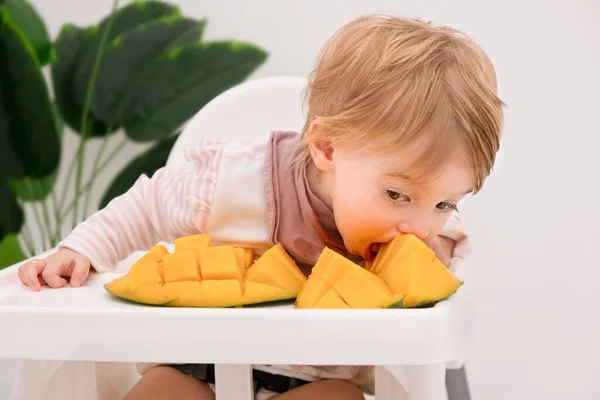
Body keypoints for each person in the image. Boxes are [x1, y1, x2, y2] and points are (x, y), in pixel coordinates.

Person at [18, 14, 504, 400]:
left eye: (444, 202)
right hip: (195, 368)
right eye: (397, 195)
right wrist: (83, 249)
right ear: (328, 150)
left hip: (317, 382)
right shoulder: (235, 182)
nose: (417, 226)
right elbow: (147, 206)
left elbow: (441, 317)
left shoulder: (433, 241)